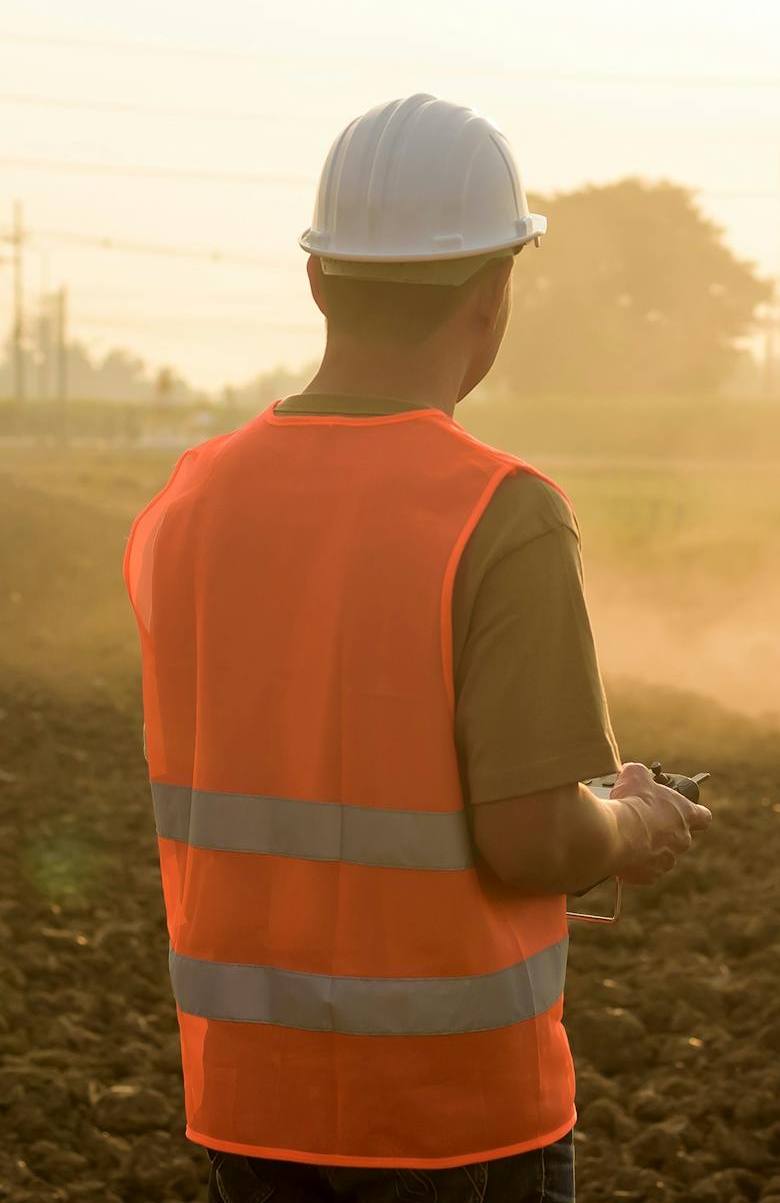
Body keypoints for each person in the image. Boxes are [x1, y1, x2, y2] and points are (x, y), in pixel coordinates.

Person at [125, 94, 712, 1203]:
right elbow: (534, 837)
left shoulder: (186, 502)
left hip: (250, 1112)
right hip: (455, 1123)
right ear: (495, 292)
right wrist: (633, 822)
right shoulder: (503, 513)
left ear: (317, 279)